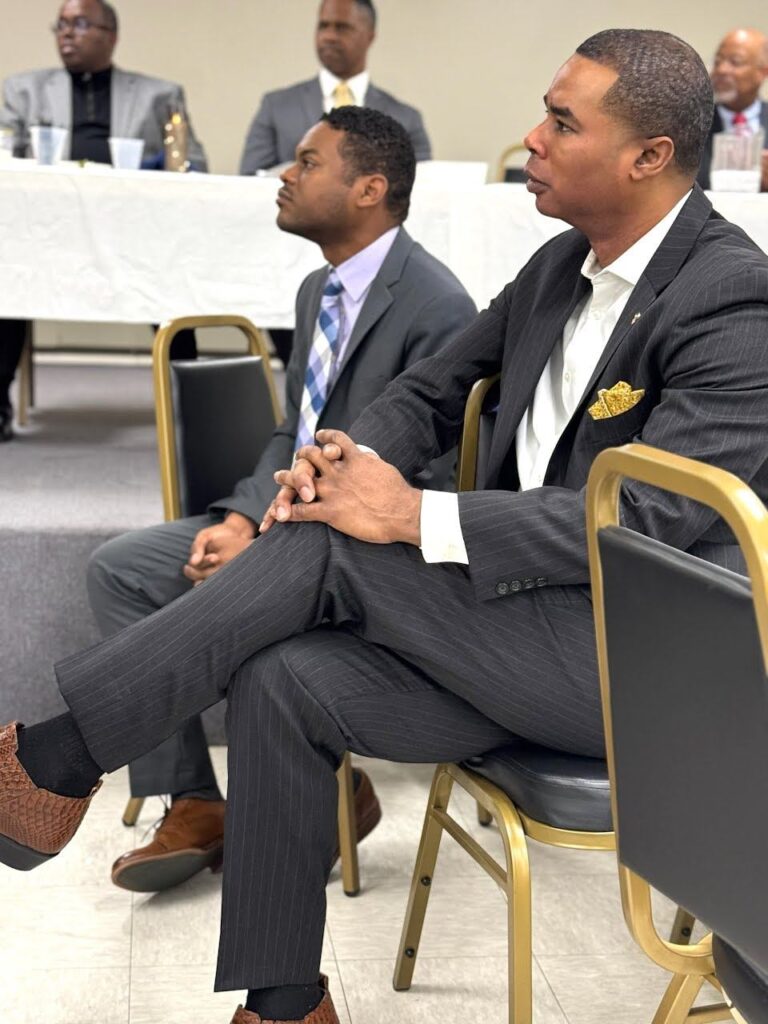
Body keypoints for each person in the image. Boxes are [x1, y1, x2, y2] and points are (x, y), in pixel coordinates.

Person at [2, 27, 768, 1024]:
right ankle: (285, 1004)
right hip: (507, 634)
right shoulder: (558, 267)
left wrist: (411, 513)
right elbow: (428, 392)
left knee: (335, 545)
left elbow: (650, 520)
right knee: (283, 677)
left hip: (633, 671)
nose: (533, 139)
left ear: (649, 156)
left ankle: (56, 759)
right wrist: (343, 460)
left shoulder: (732, 297)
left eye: (562, 122)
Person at [85, 105, 476, 895]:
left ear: (369, 189)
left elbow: (420, 479)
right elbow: (291, 430)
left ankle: (333, 786)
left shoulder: (438, 308)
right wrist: (239, 520)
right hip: (282, 517)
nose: (284, 175)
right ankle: (195, 800)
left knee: (242, 608)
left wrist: (271, 543)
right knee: (121, 570)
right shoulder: (317, 290)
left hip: (359, 551)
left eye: (307, 161)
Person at [0, 0, 207, 440]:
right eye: (61, 25)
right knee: (6, 275)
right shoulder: (23, 91)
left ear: (110, 35)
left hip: (134, 234)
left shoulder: (158, 95)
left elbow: (193, 163)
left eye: (79, 24)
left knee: (175, 281)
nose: (66, 33)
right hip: (44, 233)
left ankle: (195, 408)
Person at [239, 0, 431, 175]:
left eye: (342, 28)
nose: (329, 36)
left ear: (370, 36)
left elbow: (422, 190)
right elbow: (248, 184)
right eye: (323, 26)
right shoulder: (276, 107)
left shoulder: (406, 120)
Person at [697, 27, 768, 190]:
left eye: (735, 62)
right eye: (718, 61)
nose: (721, 70)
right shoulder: (694, 121)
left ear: (762, 73)